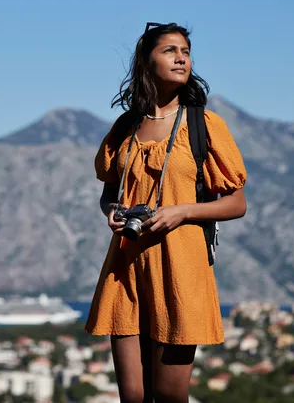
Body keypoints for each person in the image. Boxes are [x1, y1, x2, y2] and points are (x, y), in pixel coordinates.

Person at [84, 22, 248, 403]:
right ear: (146, 61)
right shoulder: (127, 126)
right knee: (133, 397)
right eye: (170, 50)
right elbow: (110, 194)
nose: (181, 58)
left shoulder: (203, 124)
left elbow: (237, 203)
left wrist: (182, 212)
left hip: (180, 270)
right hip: (126, 268)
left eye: (186, 52)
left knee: (170, 397)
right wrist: (112, 211)